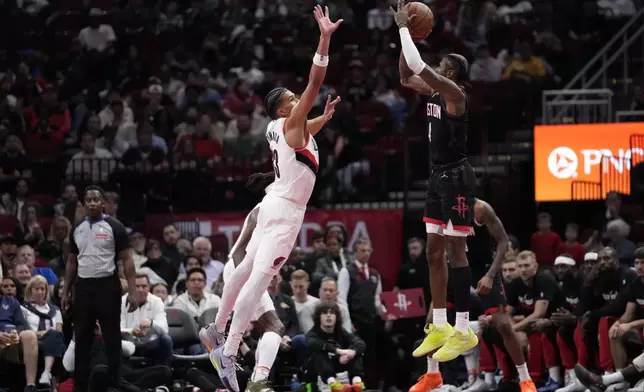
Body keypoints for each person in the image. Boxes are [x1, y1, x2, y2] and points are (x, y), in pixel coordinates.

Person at [206, 6, 343, 392]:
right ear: (284, 109)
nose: (298, 97)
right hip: (285, 213)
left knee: (247, 268)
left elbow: (304, 131)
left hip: (272, 203)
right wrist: (325, 38)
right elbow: (316, 80)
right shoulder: (290, 122)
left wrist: (324, 119)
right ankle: (228, 350)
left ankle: (215, 328)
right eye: (291, 97)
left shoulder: (276, 128)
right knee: (260, 279)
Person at [393, 0, 477, 362]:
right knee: (431, 251)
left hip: (457, 177)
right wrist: (405, 38)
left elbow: (418, 66)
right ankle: (440, 323)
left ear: (452, 76)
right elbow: (404, 75)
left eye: (442, 68)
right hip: (436, 177)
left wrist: (402, 28)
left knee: (456, 251)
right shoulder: (433, 93)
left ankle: (464, 328)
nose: (436, 69)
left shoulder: (455, 96)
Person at [200, 203, 287, 392]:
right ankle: (249, 374)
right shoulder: (269, 206)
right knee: (273, 325)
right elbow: (241, 251)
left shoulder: (288, 207)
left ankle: (256, 380)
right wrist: (250, 281)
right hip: (242, 268)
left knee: (276, 327)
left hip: (250, 270)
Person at [61, 185, 137, 392]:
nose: (93, 203)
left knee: (112, 337)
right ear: (84, 203)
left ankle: (115, 382)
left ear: (103, 203)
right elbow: (71, 262)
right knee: (82, 338)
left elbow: (127, 260)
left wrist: (132, 290)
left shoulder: (115, 226)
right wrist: (66, 290)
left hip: (107, 286)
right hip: (84, 287)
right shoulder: (77, 228)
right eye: (89, 200)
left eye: (97, 199)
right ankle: (80, 385)